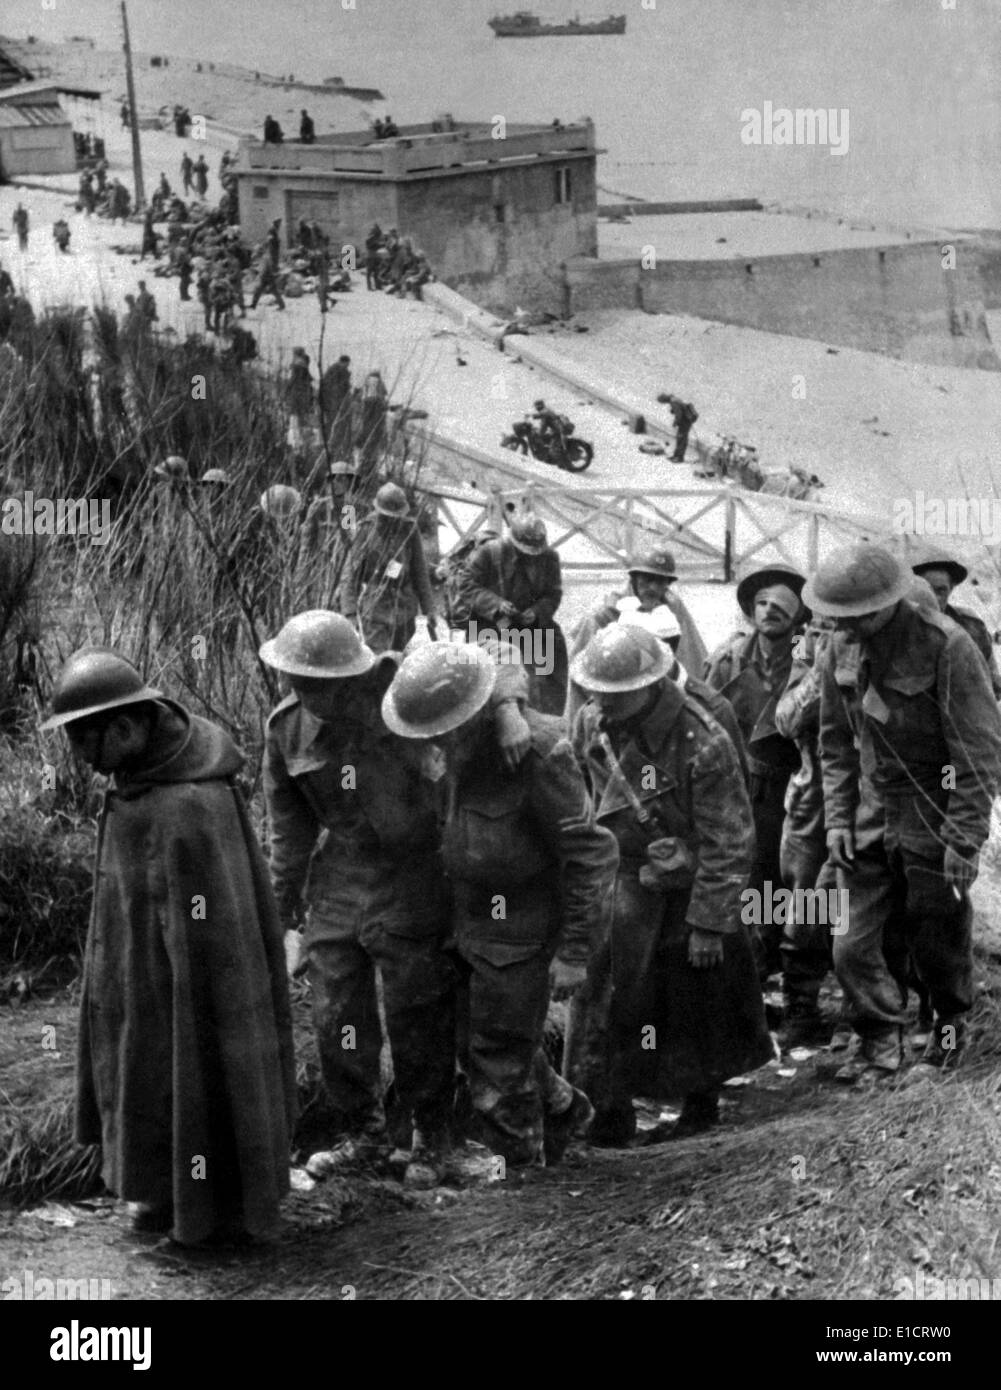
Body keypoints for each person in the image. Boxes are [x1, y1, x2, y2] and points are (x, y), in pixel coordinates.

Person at [261, 613, 533, 1184]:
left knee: (417, 1006)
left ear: (351, 673)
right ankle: (361, 1133)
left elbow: (495, 651)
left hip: (414, 871)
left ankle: (431, 1136)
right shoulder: (285, 730)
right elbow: (288, 835)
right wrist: (280, 915)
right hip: (339, 875)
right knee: (337, 1012)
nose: (304, 695)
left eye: (316, 684)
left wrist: (508, 709)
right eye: (295, 682)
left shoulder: (403, 678)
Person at [40, 648, 296, 1246]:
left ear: (126, 728)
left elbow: (208, 921)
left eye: (87, 745)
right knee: (151, 1064)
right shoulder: (144, 779)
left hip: (198, 979)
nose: (84, 762)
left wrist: (180, 969)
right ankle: (162, 1190)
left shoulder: (187, 803)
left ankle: (214, 1208)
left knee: (200, 1062)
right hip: (145, 972)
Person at [383, 641, 617, 1169]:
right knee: (472, 1043)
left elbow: (592, 855)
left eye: (444, 733)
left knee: (498, 1061)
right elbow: (475, 650)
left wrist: (576, 952)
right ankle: (562, 1110)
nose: (437, 744)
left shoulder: (535, 751)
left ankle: (519, 1183)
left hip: (520, 928)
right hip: (464, 919)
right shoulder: (443, 739)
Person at [567, 624, 773, 1145]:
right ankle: (604, 1115)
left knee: (693, 995)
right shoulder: (592, 723)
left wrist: (709, 923)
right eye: (598, 691)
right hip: (620, 876)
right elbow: (579, 796)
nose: (602, 702)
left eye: (616, 693)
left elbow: (730, 839)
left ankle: (698, 1109)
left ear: (651, 685)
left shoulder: (702, 739)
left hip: (688, 886)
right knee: (604, 994)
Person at [806, 541, 1001, 1082]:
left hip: (932, 813)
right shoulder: (839, 649)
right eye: (840, 616)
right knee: (848, 941)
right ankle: (879, 1039)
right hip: (870, 814)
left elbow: (979, 754)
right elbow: (834, 742)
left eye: (859, 615)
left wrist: (963, 840)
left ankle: (945, 1036)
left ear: (888, 602)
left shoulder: (947, 646)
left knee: (936, 942)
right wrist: (839, 819)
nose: (847, 625)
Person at [704, 564, 808, 981]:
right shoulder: (729, 657)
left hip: (797, 778)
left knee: (794, 869)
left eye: (781, 606)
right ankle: (757, 958)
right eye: (762, 603)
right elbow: (706, 714)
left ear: (798, 615)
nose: (770, 611)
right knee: (751, 866)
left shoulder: (809, 655)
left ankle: (794, 961)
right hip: (743, 779)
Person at [566, 547, 706, 722]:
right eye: (647, 580)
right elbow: (581, 675)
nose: (654, 588)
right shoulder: (604, 614)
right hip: (610, 700)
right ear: (633, 578)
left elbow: (693, 657)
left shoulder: (672, 606)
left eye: (661, 581)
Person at [458, 510, 568, 715]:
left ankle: (548, 719)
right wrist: (496, 604)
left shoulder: (550, 558)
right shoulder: (490, 552)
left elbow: (554, 594)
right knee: (497, 675)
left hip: (532, 627)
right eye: (526, 553)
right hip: (491, 626)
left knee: (550, 661)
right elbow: (465, 584)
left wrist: (536, 612)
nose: (532, 557)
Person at [340, 482, 440, 652]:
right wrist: (349, 613)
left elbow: (420, 571)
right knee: (380, 663)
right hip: (376, 611)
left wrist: (429, 608)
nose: (393, 520)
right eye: (388, 516)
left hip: (405, 611)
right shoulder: (366, 530)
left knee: (398, 660)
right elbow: (350, 575)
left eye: (396, 516)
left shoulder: (410, 530)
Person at [910, 544, 1001, 698]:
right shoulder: (899, 624)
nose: (933, 597)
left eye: (941, 590)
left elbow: (993, 685)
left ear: (951, 589)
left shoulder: (971, 625)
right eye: (927, 589)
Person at [319, 355, 353, 456]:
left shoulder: (330, 370)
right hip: (336, 402)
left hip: (328, 402)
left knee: (331, 424)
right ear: (344, 362)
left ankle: (330, 446)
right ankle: (334, 448)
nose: (348, 366)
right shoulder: (341, 371)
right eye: (347, 364)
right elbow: (342, 388)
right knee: (337, 424)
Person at [358, 369, 388, 469]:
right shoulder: (380, 382)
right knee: (372, 428)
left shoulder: (367, 380)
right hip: (375, 404)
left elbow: (363, 392)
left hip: (366, 402)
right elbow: (383, 393)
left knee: (365, 423)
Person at [659, 393, 699, 462]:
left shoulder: (673, 402)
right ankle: (676, 455)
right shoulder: (674, 398)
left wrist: (675, 423)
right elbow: (681, 409)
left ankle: (679, 457)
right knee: (681, 438)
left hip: (685, 422)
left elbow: (679, 415)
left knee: (681, 438)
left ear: (664, 400)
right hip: (686, 420)